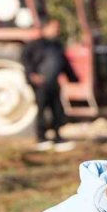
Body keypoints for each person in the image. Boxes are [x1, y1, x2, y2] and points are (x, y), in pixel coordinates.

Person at [21, 19, 78, 152]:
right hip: (40, 85)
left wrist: (73, 78)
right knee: (42, 111)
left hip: (54, 84)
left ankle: (57, 137)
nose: (56, 31)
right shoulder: (34, 45)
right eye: (53, 28)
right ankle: (41, 138)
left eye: (57, 28)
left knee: (57, 110)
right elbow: (26, 60)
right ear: (45, 28)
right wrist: (32, 75)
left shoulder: (57, 46)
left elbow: (64, 63)